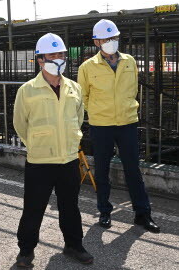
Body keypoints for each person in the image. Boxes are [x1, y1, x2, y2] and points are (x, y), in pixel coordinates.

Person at [13, 33, 94, 268]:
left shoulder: (74, 88)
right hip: (40, 160)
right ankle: (26, 250)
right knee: (33, 208)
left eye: (61, 54)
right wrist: (39, 143)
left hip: (68, 158)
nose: (58, 58)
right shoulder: (27, 90)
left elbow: (78, 118)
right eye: (52, 55)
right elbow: (20, 124)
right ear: (40, 59)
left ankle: (74, 245)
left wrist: (67, 141)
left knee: (70, 206)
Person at [77, 19, 160, 233]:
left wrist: (127, 108)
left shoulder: (129, 61)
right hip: (101, 125)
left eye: (113, 37)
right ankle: (104, 211)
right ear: (96, 42)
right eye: (105, 39)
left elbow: (132, 90)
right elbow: (82, 96)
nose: (110, 42)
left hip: (127, 123)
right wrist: (97, 112)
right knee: (102, 170)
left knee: (133, 170)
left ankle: (143, 214)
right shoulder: (87, 67)